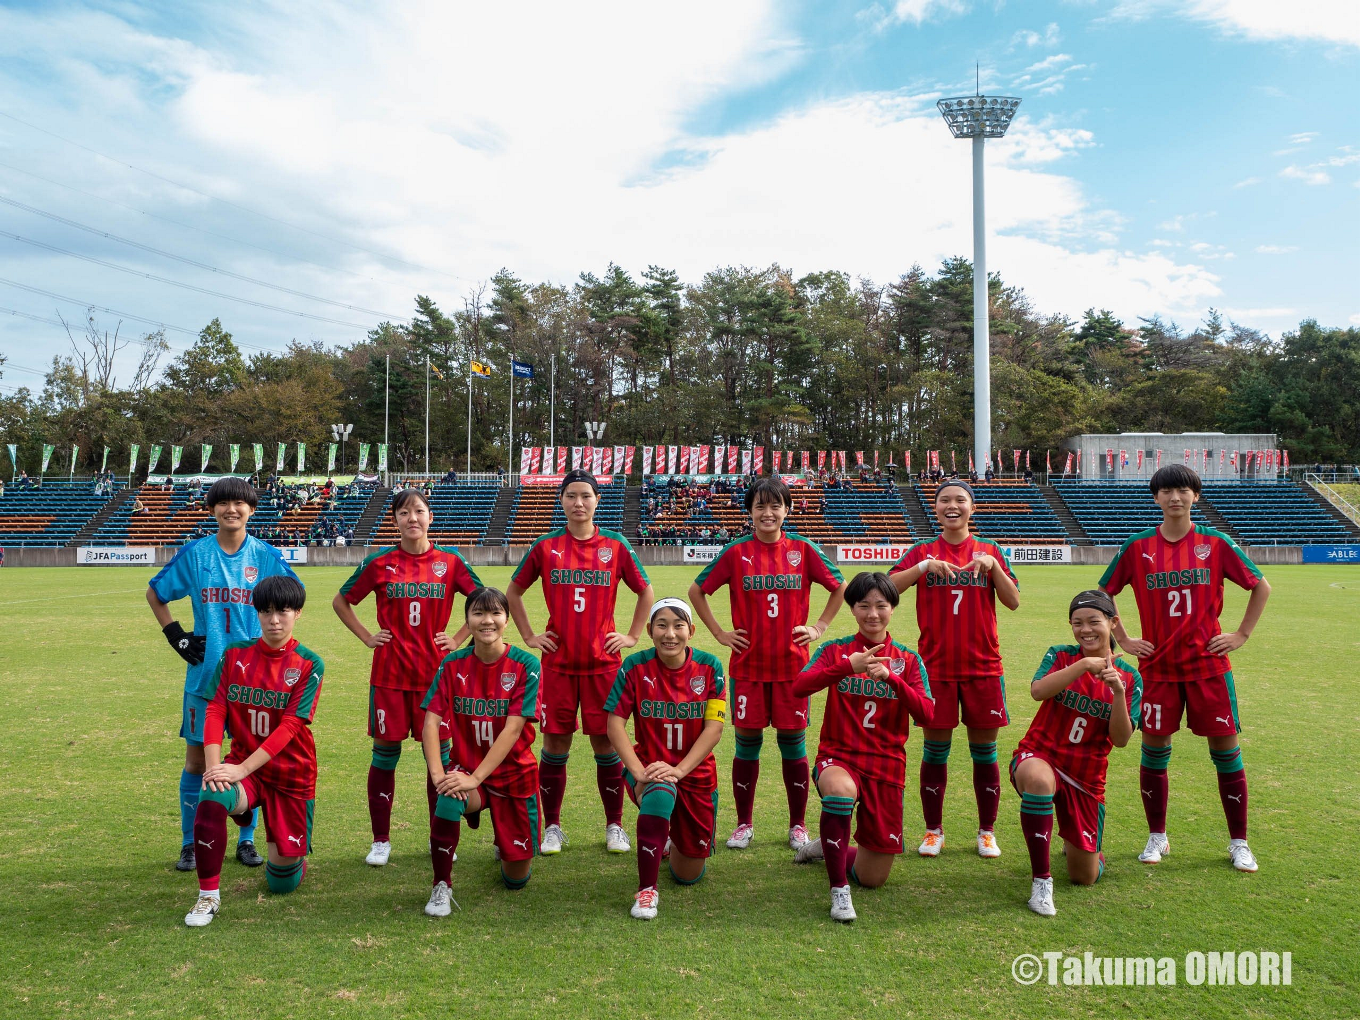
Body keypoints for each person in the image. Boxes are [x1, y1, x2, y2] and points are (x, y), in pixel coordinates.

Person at [1098, 464, 1270, 872]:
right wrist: (1121, 639)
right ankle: (1157, 836)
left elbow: (1260, 584)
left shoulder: (1216, 542)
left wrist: (1241, 634)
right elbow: (1104, 592)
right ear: (1155, 497)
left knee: (1225, 753)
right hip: (1156, 670)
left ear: (1196, 495)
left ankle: (1239, 842)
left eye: (1183, 490)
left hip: (1209, 668)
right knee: (1155, 752)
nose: (1175, 497)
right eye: (1167, 491)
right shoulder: (1138, 546)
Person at [148, 477, 301, 873]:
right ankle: (189, 844)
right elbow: (156, 593)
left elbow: (292, 598)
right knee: (197, 762)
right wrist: (176, 636)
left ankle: (246, 840)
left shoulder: (265, 556)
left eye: (239, 503)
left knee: (248, 758)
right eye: (223, 504)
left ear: (251, 509)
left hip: (254, 682)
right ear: (211, 509)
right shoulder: (197, 554)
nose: (231, 510)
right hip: (205, 676)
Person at [689, 476, 846, 851]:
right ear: (750, 511)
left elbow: (840, 585)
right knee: (747, 746)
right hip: (748, 668)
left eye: (775, 505)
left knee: (793, 746)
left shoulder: (804, 550)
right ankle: (744, 824)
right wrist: (720, 633)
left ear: (787, 510)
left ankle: (797, 825)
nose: (768, 512)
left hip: (794, 669)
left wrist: (820, 626)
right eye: (760, 506)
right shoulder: (735, 552)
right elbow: (698, 590)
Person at [508, 469, 655, 854]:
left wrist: (633, 635)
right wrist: (528, 636)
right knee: (555, 745)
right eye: (571, 496)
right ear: (561, 501)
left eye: (586, 496)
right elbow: (513, 590)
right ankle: (553, 827)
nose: (578, 503)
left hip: (603, 665)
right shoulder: (545, 546)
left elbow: (645, 592)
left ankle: (614, 826)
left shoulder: (616, 545)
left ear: (596, 500)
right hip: (557, 664)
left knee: (606, 746)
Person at [333, 488, 480, 867]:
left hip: (436, 679)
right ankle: (381, 840)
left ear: (430, 517)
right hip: (390, 677)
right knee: (385, 757)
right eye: (404, 512)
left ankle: (441, 837)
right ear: (394, 519)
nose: (412, 518)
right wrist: (367, 636)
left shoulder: (450, 561)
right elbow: (341, 600)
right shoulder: (380, 561)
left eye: (419, 511)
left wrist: (459, 638)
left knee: (442, 762)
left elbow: (485, 601)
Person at [888, 479, 1020, 860]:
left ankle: (987, 832)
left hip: (983, 669)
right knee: (935, 752)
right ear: (935, 508)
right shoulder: (923, 551)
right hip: (935, 671)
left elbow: (1012, 601)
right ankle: (933, 831)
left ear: (971, 508)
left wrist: (994, 566)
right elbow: (888, 587)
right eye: (944, 499)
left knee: (985, 753)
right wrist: (924, 566)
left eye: (960, 500)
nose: (952, 505)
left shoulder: (990, 550)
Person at [789, 572, 933, 922]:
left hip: (887, 765)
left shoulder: (909, 660)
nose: (872, 614)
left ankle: (825, 847)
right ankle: (839, 890)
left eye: (881, 606)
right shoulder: (836, 650)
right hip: (840, 757)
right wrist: (845, 667)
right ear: (852, 609)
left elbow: (928, 713)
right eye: (863, 606)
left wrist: (895, 681)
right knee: (839, 794)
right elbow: (799, 686)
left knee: (873, 878)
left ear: (893, 608)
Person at [183, 576, 322, 926]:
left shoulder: (309, 664)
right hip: (244, 768)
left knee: (280, 884)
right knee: (212, 796)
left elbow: (291, 726)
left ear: (298, 613)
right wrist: (215, 769)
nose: (275, 620)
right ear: (257, 613)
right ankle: (207, 897)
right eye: (267, 611)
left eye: (283, 611)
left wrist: (240, 770)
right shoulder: (235, 655)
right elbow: (215, 709)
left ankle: (290, 853)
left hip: (291, 774)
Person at [1012, 590, 1140, 916]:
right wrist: (1083, 664)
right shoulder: (1061, 655)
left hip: (1085, 776)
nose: (1086, 630)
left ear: (1112, 623)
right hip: (1041, 756)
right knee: (1039, 782)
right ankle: (1042, 884)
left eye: (1094, 622)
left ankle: (1087, 850)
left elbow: (1121, 739)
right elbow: (1038, 691)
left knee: (1084, 877)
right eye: (1077, 623)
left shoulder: (1130, 676)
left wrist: (1119, 694)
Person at [420, 587, 541, 916]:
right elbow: (431, 723)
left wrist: (475, 777)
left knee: (516, 880)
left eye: (495, 613)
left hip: (514, 774)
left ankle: (506, 846)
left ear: (506, 619)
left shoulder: (526, 664)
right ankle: (441, 885)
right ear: (467, 620)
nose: (487, 620)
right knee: (447, 794)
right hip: (468, 772)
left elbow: (513, 729)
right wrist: (439, 776)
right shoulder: (452, 664)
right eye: (478, 613)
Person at [604, 598, 726, 920]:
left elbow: (714, 729)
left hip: (694, 773)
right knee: (660, 794)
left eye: (678, 625)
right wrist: (638, 771)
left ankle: (671, 841)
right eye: (661, 625)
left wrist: (680, 769)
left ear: (691, 630)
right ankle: (646, 891)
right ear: (649, 630)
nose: (669, 633)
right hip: (650, 767)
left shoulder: (711, 667)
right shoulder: (634, 666)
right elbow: (614, 724)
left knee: (689, 876)